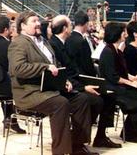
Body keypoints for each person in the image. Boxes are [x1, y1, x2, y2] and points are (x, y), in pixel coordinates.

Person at [7, 11, 96, 155]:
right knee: (60, 103)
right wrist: (45, 67)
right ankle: (60, 151)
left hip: (49, 88)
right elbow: (18, 69)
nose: (38, 23)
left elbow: (55, 64)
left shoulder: (43, 40)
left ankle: (77, 145)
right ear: (23, 26)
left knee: (82, 99)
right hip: (30, 92)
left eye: (38, 20)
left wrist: (64, 80)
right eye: (34, 21)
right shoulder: (19, 43)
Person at [48, 15, 120, 149]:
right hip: (64, 87)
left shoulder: (62, 43)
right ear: (65, 28)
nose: (72, 27)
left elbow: (72, 69)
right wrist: (83, 87)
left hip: (75, 82)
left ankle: (97, 136)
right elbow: (63, 73)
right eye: (70, 24)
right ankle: (77, 140)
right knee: (96, 100)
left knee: (107, 96)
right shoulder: (54, 45)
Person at [65, 11, 98, 76]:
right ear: (86, 24)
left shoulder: (67, 38)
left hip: (72, 74)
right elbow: (87, 64)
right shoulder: (82, 42)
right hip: (83, 77)